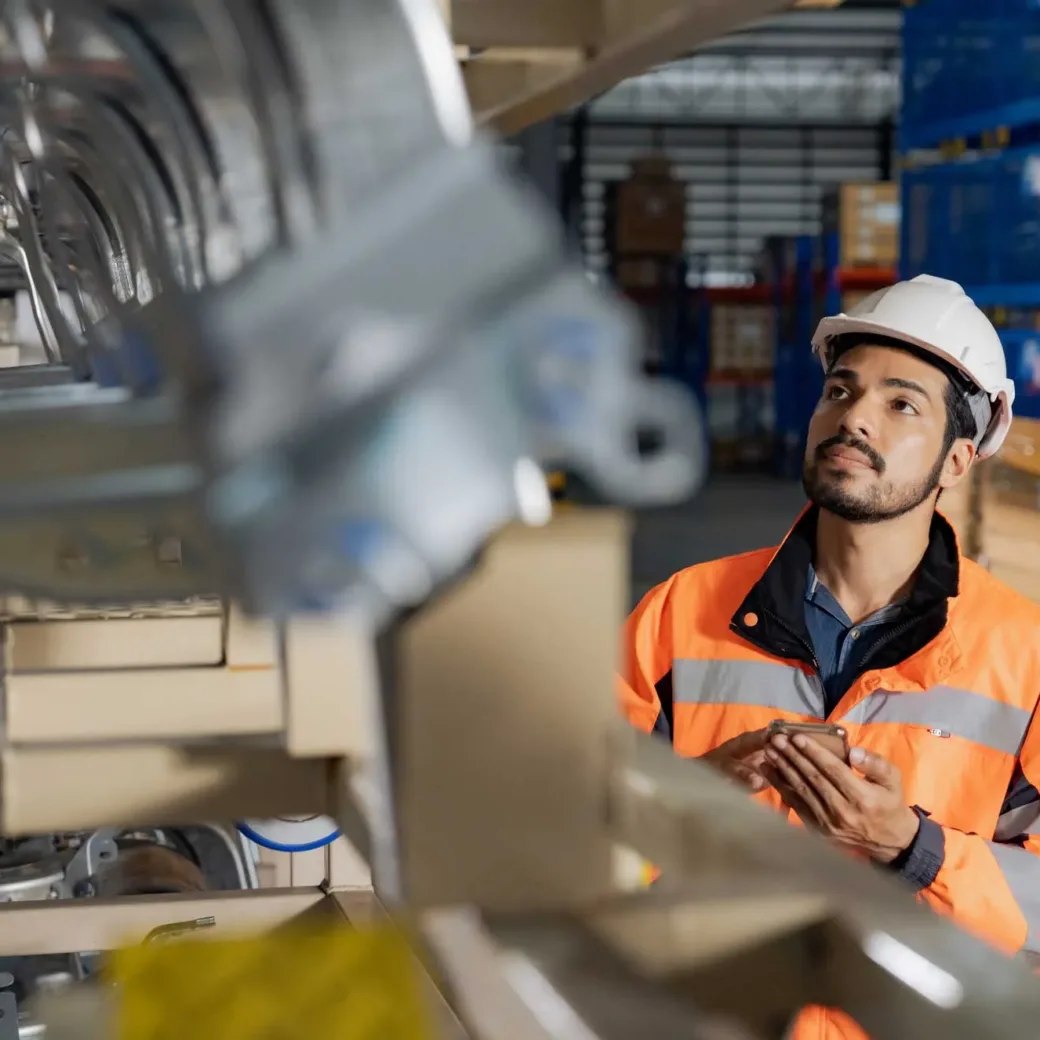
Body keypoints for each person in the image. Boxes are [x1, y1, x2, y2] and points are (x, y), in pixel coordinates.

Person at [618, 275, 1040, 1040]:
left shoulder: (1026, 656)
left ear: (956, 461)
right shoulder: (679, 613)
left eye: (900, 404)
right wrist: (692, 802)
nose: (853, 419)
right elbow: (566, 837)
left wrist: (915, 849)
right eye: (840, 392)